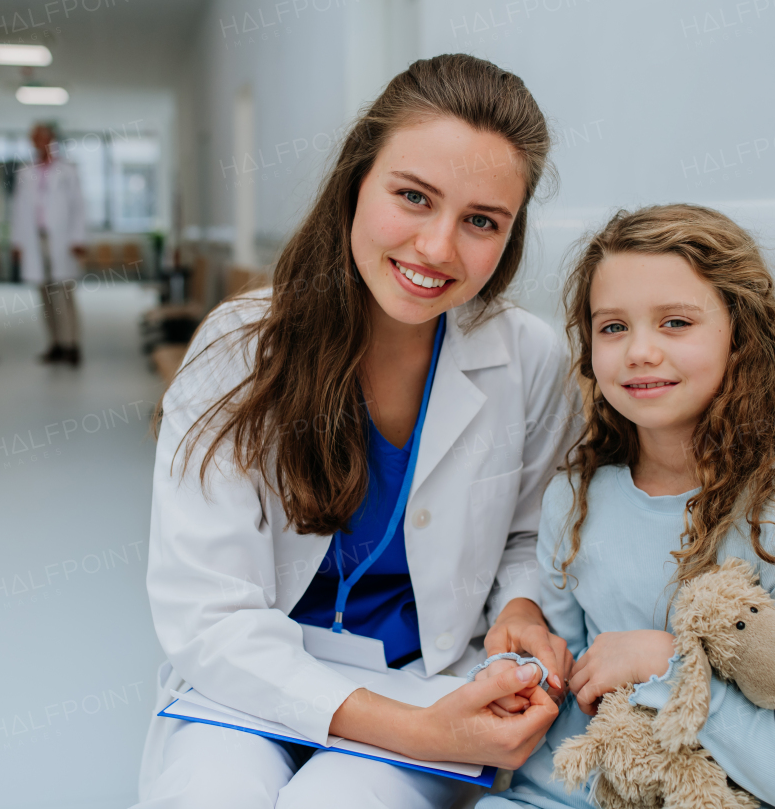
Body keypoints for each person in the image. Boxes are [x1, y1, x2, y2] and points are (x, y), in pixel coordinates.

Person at [133, 54, 582, 809]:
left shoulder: (528, 356)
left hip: (428, 679)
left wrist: (519, 608)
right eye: (413, 196)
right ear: (355, 183)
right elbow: (208, 611)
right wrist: (424, 733)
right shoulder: (240, 347)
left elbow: (533, 536)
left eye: (481, 221)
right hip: (251, 680)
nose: (438, 248)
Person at [477, 205, 775, 809]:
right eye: (613, 327)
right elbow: (558, 739)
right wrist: (521, 681)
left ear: (739, 337)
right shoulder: (574, 498)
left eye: (674, 322)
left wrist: (666, 669)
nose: (639, 351)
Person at [10, 123, 87, 366]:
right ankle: (54, 343)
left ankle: (71, 344)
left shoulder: (67, 170)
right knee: (44, 294)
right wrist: (17, 241)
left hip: (62, 239)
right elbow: (18, 209)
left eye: (41, 137)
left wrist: (79, 237)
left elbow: (79, 205)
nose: (38, 143)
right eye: (34, 138)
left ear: (51, 139)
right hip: (36, 239)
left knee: (64, 293)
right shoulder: (25, 171)